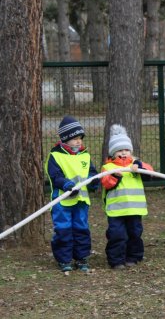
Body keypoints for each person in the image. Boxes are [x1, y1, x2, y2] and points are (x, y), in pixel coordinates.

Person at [45, 116, 99, 272]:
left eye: (80, 138)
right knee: (63, 230)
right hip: (62, 202)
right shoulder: (55, 156)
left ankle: (81, 258)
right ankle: (64, 259)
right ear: (65, 139)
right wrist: (66, 184)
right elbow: (55, 176)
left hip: (81, 201)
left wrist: (93, 182)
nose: (78, 141)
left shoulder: (85, 156)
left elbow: (92, 173)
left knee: (81, 228)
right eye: (74, 138)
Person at [100, 124, 154, 269]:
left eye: (126, 150)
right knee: (117, 234)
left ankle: (133, 257)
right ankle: (116, 260)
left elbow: (150, 171)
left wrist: (139, 167)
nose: (123, 153)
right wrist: (115, 176)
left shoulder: (135, 164)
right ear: (113, 153)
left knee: (135, 233)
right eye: (119, 151)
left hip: (134, 209)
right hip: (117, 210)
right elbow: (106, 183)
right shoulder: (109, 168)